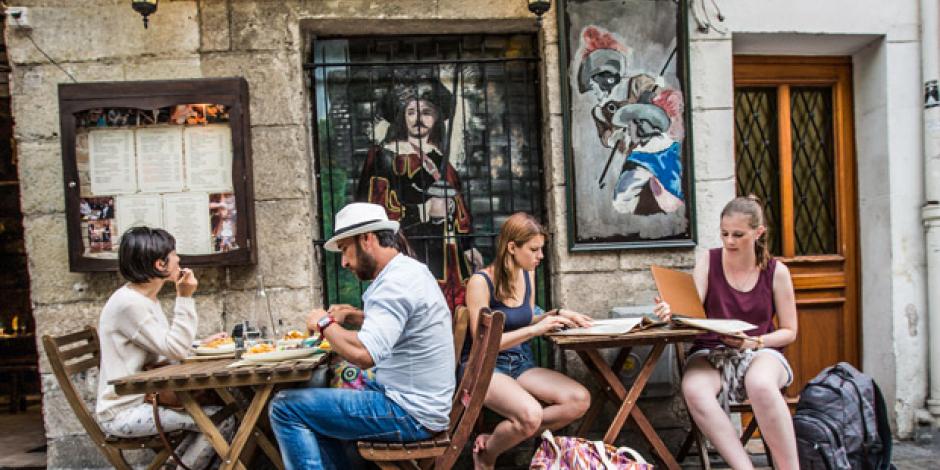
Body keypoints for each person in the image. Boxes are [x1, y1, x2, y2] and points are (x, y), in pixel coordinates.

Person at [268, 202, 455, 470]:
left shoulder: (393, 284)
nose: (343, 262)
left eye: (345, 249)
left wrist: (323, 322)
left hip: (409, 413)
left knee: (285, 408)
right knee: (320, 395)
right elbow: (397, 326)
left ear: (366, 239)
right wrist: (355, 318)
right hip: (418, 403)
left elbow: (365, 355)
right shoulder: (408, 271)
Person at [653, 196, 799, 470]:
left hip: (760, 348)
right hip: (712, 348)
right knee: (694, 389)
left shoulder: (776, 272)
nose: (729, 241)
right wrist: (672, 310)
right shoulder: (708, 260)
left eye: (738, 235)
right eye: (724, 234)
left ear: (759, 233)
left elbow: (790, 331)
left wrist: (753, 342)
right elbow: (691, 310)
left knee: (761, 384)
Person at [463, 212, 593, 470]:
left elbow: (525, 320)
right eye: (534, 249)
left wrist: (555, 315)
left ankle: (497, 439)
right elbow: (484, 345)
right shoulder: (480, 282)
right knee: (531, 415)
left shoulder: (526, 274)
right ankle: (487, 456)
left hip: (519, 362)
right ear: (512, 247)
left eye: (541, 249)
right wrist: (537, 330)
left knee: (579, 399)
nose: (540, 257)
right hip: (486, 367)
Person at [95, 226, 231, 470]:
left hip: (147, 401)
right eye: (174, 254)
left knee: (219, 415)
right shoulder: (130, 305)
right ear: (160, 264)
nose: (179, 259)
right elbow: (175, 350)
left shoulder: (143, 298)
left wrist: (198, 344)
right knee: (221, 420)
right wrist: (185, 296)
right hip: (124, 411)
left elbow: (164, 347)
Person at [356, 77, 480, 310]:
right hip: (410, 249)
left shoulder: (441, 161)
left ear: (436, 119)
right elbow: (376, 209)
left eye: (426, 112)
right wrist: (423, 211)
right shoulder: (385, 157)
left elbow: (460, 208)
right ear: (402, 117)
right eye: (412, 112)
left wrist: (467, 246)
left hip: (448, 257)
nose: (419, 119)